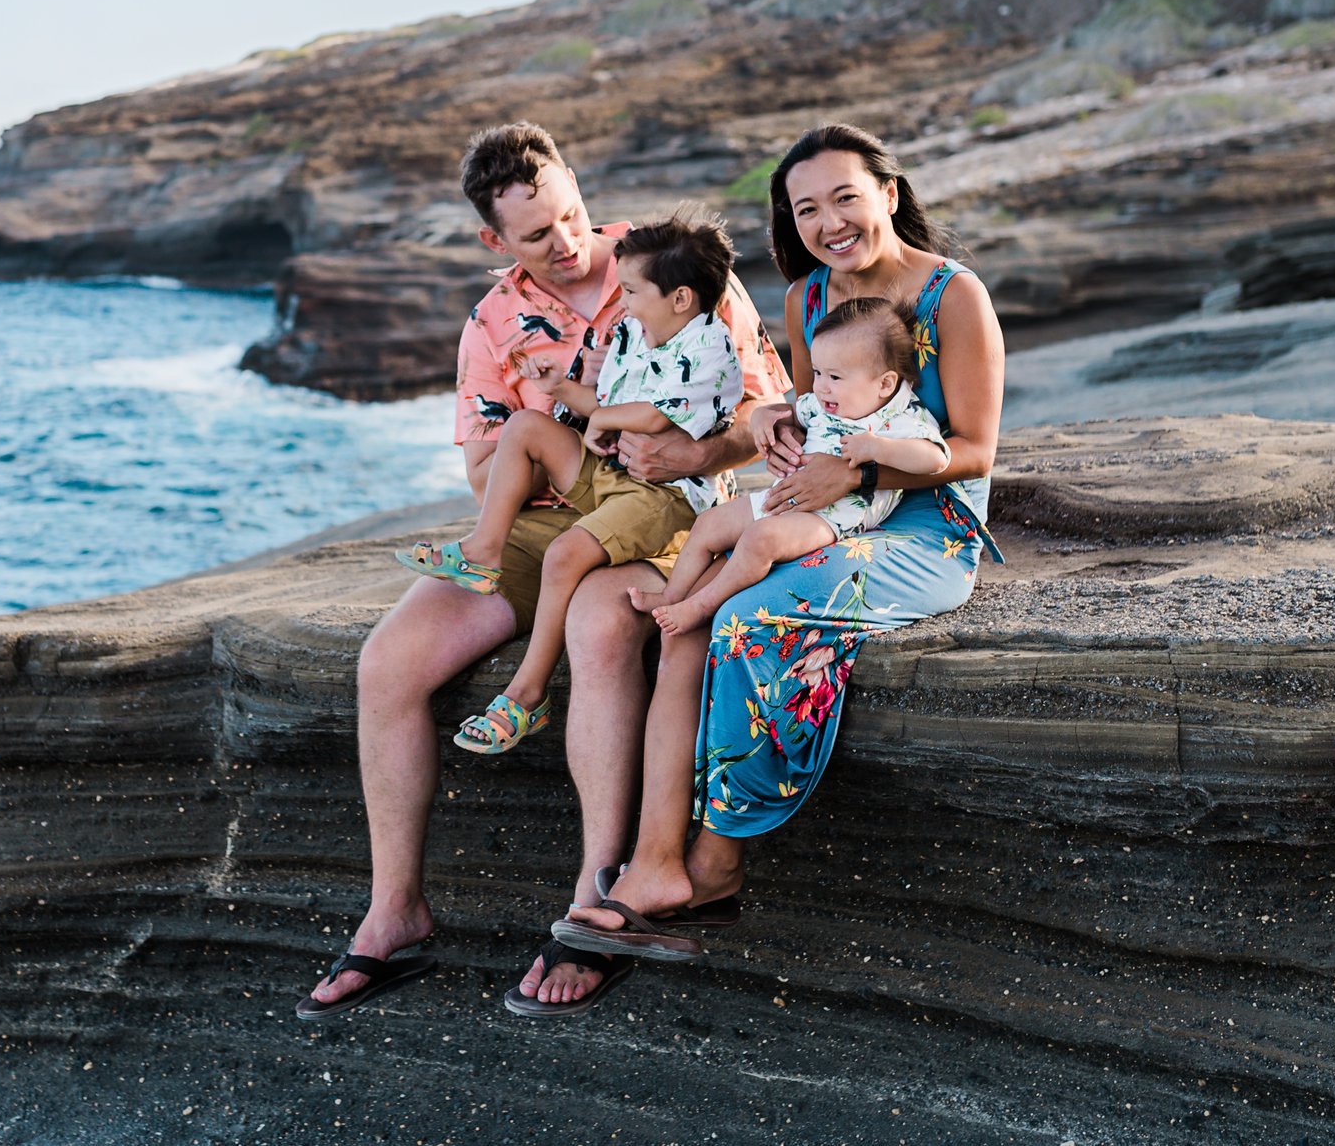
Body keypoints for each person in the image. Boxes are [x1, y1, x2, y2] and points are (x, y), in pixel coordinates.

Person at [297, 123, 786, 1019]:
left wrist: (690, 449)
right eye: (535, 235)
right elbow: (485, 469)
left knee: (602, 626)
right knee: (388, 662)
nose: (565, 244)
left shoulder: (671, 265)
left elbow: (768, 408)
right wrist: (568, 419)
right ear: (494, 241)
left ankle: (595, 905)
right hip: (547, 512)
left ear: (576, 186)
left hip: (660, 513)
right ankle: (394, 911)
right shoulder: (491, 323)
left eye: (571, 214)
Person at [547, 122, 1005, 963]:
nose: (829, 222)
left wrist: (857, 477)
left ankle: (716, 862)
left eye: (845, 198)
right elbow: (811, 407)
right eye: (806, 208)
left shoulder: (954, 295)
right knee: (685, 618)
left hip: (926, 528)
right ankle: (654, 862)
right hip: (819, 506)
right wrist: (771, 422)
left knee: (746, 615)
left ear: (889, 196)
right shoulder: (806, 299)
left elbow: (974, 449)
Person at [397, 218, 746, 756]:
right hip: (614, 475)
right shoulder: (632, 333)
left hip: (667, 498)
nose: (621, 302)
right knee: (525, 427)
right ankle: (483, 552)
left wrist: (604, 419)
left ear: (680, 298)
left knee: (563, 556)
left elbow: (654, 417)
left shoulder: (709, 352)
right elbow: (601, 407)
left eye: (630, 291)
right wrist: (561, 388)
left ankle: (527, 693)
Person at [639, 295, 946, 640]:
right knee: (709, 523)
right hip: (783, 497)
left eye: (835, 376)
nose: (821, 385)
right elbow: (789, 414)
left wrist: (880, 449)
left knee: (760, 540)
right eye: (817, 372)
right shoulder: (821, 404)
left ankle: (701, 605)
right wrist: (763, 419)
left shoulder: (900, 419)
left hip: (831, 519)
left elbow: (936, 459)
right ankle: (671, 594)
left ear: (885, 384)